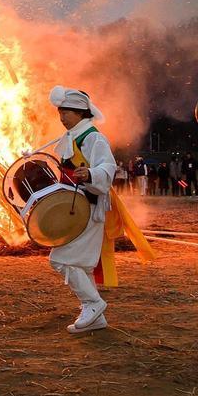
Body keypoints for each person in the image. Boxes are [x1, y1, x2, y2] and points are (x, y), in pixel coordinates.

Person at [46, 86, 118, 334]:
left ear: (80, 112)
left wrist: (90, 173)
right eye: (60, 112)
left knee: (61, 259)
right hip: (76, 207)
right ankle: (95, 317)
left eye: (66, 112)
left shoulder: (93, 138)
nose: (62, 117)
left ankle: (93, 303)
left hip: (89, 206)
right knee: (80, 264)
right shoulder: (72, 137)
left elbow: (108, 169)